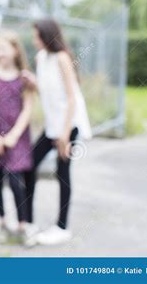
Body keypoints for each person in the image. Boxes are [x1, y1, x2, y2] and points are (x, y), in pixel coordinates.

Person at [22, 19, 92, 246]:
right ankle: (29, 222)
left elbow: (71, 97)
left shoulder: (62, 58)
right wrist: (33, 82)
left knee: (63, 172)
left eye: (37, 36)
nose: (34, 41)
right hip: (53, 125)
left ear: (47, 36)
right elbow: (48, 91)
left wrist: (64, 135)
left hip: (69, 124)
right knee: (29, 164)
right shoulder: (41, 58)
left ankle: (62, 227)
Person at [0, 31, 37, 244]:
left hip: (17, 139)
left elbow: (28, 107)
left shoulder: (23, 78)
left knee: (15, 179)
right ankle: (3, 223)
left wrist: (13, 136)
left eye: (3, 48)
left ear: (15, 50)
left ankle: (23, 225)